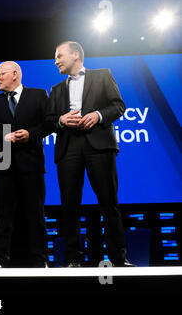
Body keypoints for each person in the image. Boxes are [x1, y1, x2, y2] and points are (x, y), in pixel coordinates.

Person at [49, 41, 134, 267]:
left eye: (59, 56)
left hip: (99, 145)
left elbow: (118, 106)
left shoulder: (103, 75)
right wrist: (61, 120)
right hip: (68, 148)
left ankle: (118, 258)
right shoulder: (56, 90)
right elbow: (48, 121)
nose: (55, 61)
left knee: (109, 202)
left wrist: (97, 115)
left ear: (75, 55)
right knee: (69, 206)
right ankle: (72, 260)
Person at [0, 61, 53, 268]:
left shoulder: (39, 95)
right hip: (4, 167)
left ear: (15, 74)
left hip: (31, 164)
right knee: (3, 216)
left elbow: (49, 124)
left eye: (0, 74)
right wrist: (4, 135)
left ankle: (40, 260)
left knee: (36, 214)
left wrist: (31, 134)